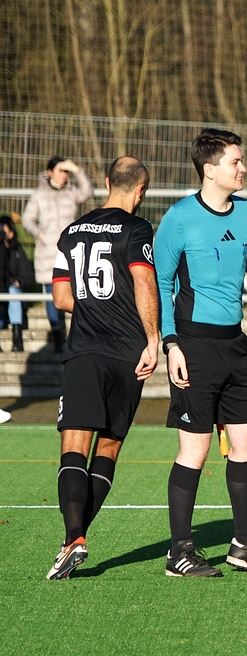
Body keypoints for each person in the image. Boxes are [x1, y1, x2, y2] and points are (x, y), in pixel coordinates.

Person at [155, 128, 247, 577]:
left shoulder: (246, 213)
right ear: (209, 169)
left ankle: (245, 544)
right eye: (235, 162)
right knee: (195, 448)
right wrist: (170, 344)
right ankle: (180, 552)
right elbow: (161, 285)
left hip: (235, 344)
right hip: (193, 346)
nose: (243, 168)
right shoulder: (178, 218)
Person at [45, 156, 159, 579]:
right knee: (108, 449)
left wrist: (96, 307)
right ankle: (72, 541)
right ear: (141, 190)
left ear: (108, 182)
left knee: (74, 446)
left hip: (86, 351)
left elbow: (61, 297)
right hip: (128, 355)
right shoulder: (138, 228)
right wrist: (153, 339)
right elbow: (143, 280)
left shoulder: (72, 231)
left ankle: (74, 537)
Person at [22, 157, 94, 352]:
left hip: (70, 251)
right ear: (50, 172)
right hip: (47, 253)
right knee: (50, 292)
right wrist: (41, 235)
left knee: (76, 290)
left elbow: (88, 191)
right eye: (61, 170)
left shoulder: (71, 192)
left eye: (66, 171)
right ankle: (56, 336)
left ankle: (76, 334)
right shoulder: (39, 195)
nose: (64, 175)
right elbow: (27, 219)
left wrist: (76, 169)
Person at [1, 215, 34, 352]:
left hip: (12, 292)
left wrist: (19, 282)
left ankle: (17, 339)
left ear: (11, 233)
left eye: (4, 231)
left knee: (13, 291)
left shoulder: (17, 251)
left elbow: (28, 277)